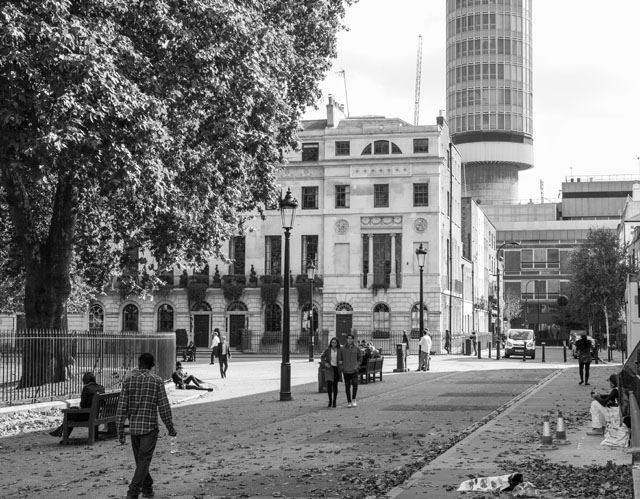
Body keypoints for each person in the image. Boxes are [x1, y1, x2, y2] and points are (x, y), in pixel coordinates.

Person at [116, 353, 176, 499]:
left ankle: (147, 488)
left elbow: (121, 407)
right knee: (143, 460)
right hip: (149, 428)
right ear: (152, 365)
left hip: (135, 427)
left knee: (141, 460)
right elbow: (163, 407)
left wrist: (120, 431)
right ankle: (133, 492)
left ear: (139, 363)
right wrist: (170, 427)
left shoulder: (129, 380)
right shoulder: (156, 381)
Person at [49, 371, 105, 438]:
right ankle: (60, 429)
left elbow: (82, 405)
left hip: (87, 416)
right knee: (72, 409)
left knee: (69, 414)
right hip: (97, 415)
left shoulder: (86, 389)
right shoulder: (101, 388)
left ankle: (62, 432)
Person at [338, 333, 362, 408]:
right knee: (347, 386)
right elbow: (340, 359)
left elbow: (360, 358)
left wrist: (357, 366)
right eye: (348, 338)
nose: (350, 340)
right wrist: (342, 367)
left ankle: (354, 399)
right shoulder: (342, 349)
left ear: (353, 339)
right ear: (347, 339)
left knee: (355, 384)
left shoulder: (356, 348)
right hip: (346, 370)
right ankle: (349, 401)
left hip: (354, 370)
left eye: (351, 338)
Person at [320, 337, 342, 408]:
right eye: (332, 342)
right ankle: (330, 400)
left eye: (335, 343)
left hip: (336, 369)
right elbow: (322, 357)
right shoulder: (328, 350)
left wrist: (342, 362)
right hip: (329, 368)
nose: (333, 344)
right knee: (329, 384)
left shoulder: (340, 350)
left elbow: (343, 358)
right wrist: (325, 363)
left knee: (335, 385)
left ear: (337, 343)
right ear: (331, 343)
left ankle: (334, 401)